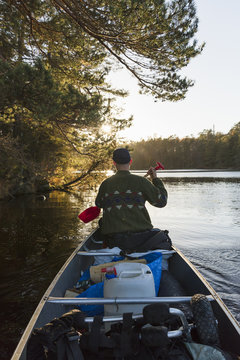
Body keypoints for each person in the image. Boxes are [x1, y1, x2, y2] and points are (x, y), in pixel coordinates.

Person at [95, 148, 171, 252]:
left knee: (101, 223)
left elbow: (99, 203)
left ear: (114, 163)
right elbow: (162, 202)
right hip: (142, 240)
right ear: (130, 161)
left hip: (114, 241)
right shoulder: (142, 181)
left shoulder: (105, 184)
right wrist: (155, 179)